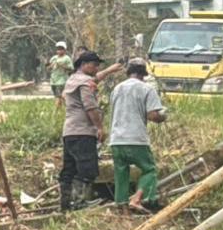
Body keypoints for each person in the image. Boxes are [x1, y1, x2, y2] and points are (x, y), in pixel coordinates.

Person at [108, 58, 167, 212]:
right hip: (136, 138)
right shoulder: (147, 89)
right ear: (143, 74)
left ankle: (122, 207)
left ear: (128, 72)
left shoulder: (117, 89)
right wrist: (163, 116)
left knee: (121, 173)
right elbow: (153, 115)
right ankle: (137, 199)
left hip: (116, 139)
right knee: (149, 170)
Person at [59, 50, 107, 211]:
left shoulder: (72, 80)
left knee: (69, 169)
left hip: (69, 131)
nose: (97, 69)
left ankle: (65, 203)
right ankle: (79, 202)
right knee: (87, 168)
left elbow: (96, 79)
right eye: (94, 65)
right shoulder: (85, 82)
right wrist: (99, 127)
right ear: (84, 64)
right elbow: (90, 106)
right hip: (83, 131)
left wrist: (111, 70)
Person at [48, 41, 73, 107]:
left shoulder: (67, 58)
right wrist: (51, 66)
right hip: (53, 80)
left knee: (59, 96)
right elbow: (48, 67)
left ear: (64, 50)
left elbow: (71, 68)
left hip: (62, 80)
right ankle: (65, 108)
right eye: (58, 48)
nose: (59, 50)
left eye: (61, 49)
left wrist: (62, 65)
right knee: (59, 96)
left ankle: (57, 110)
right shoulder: (54, 58)